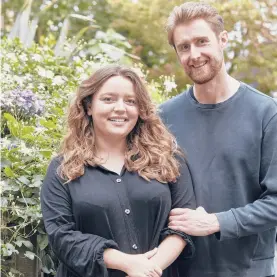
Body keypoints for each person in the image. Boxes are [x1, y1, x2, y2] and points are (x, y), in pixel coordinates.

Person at [40, 65, 195, 277]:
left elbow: (183, 224)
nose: (120, 108)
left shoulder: (169, 160)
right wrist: (126, 264)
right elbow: (61, 236)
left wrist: (149, 270)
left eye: (130, 101)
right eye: (108, 99)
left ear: (140, 109)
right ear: (88, 106)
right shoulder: (63, 169)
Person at [160, 2, 277, 277]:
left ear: (222, 40)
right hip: (180, 270)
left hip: (249, 271)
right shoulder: (163, 117)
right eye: (184, 47)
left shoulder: (266, 113)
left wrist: (216, 222)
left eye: (202, 41)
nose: (194, 54)